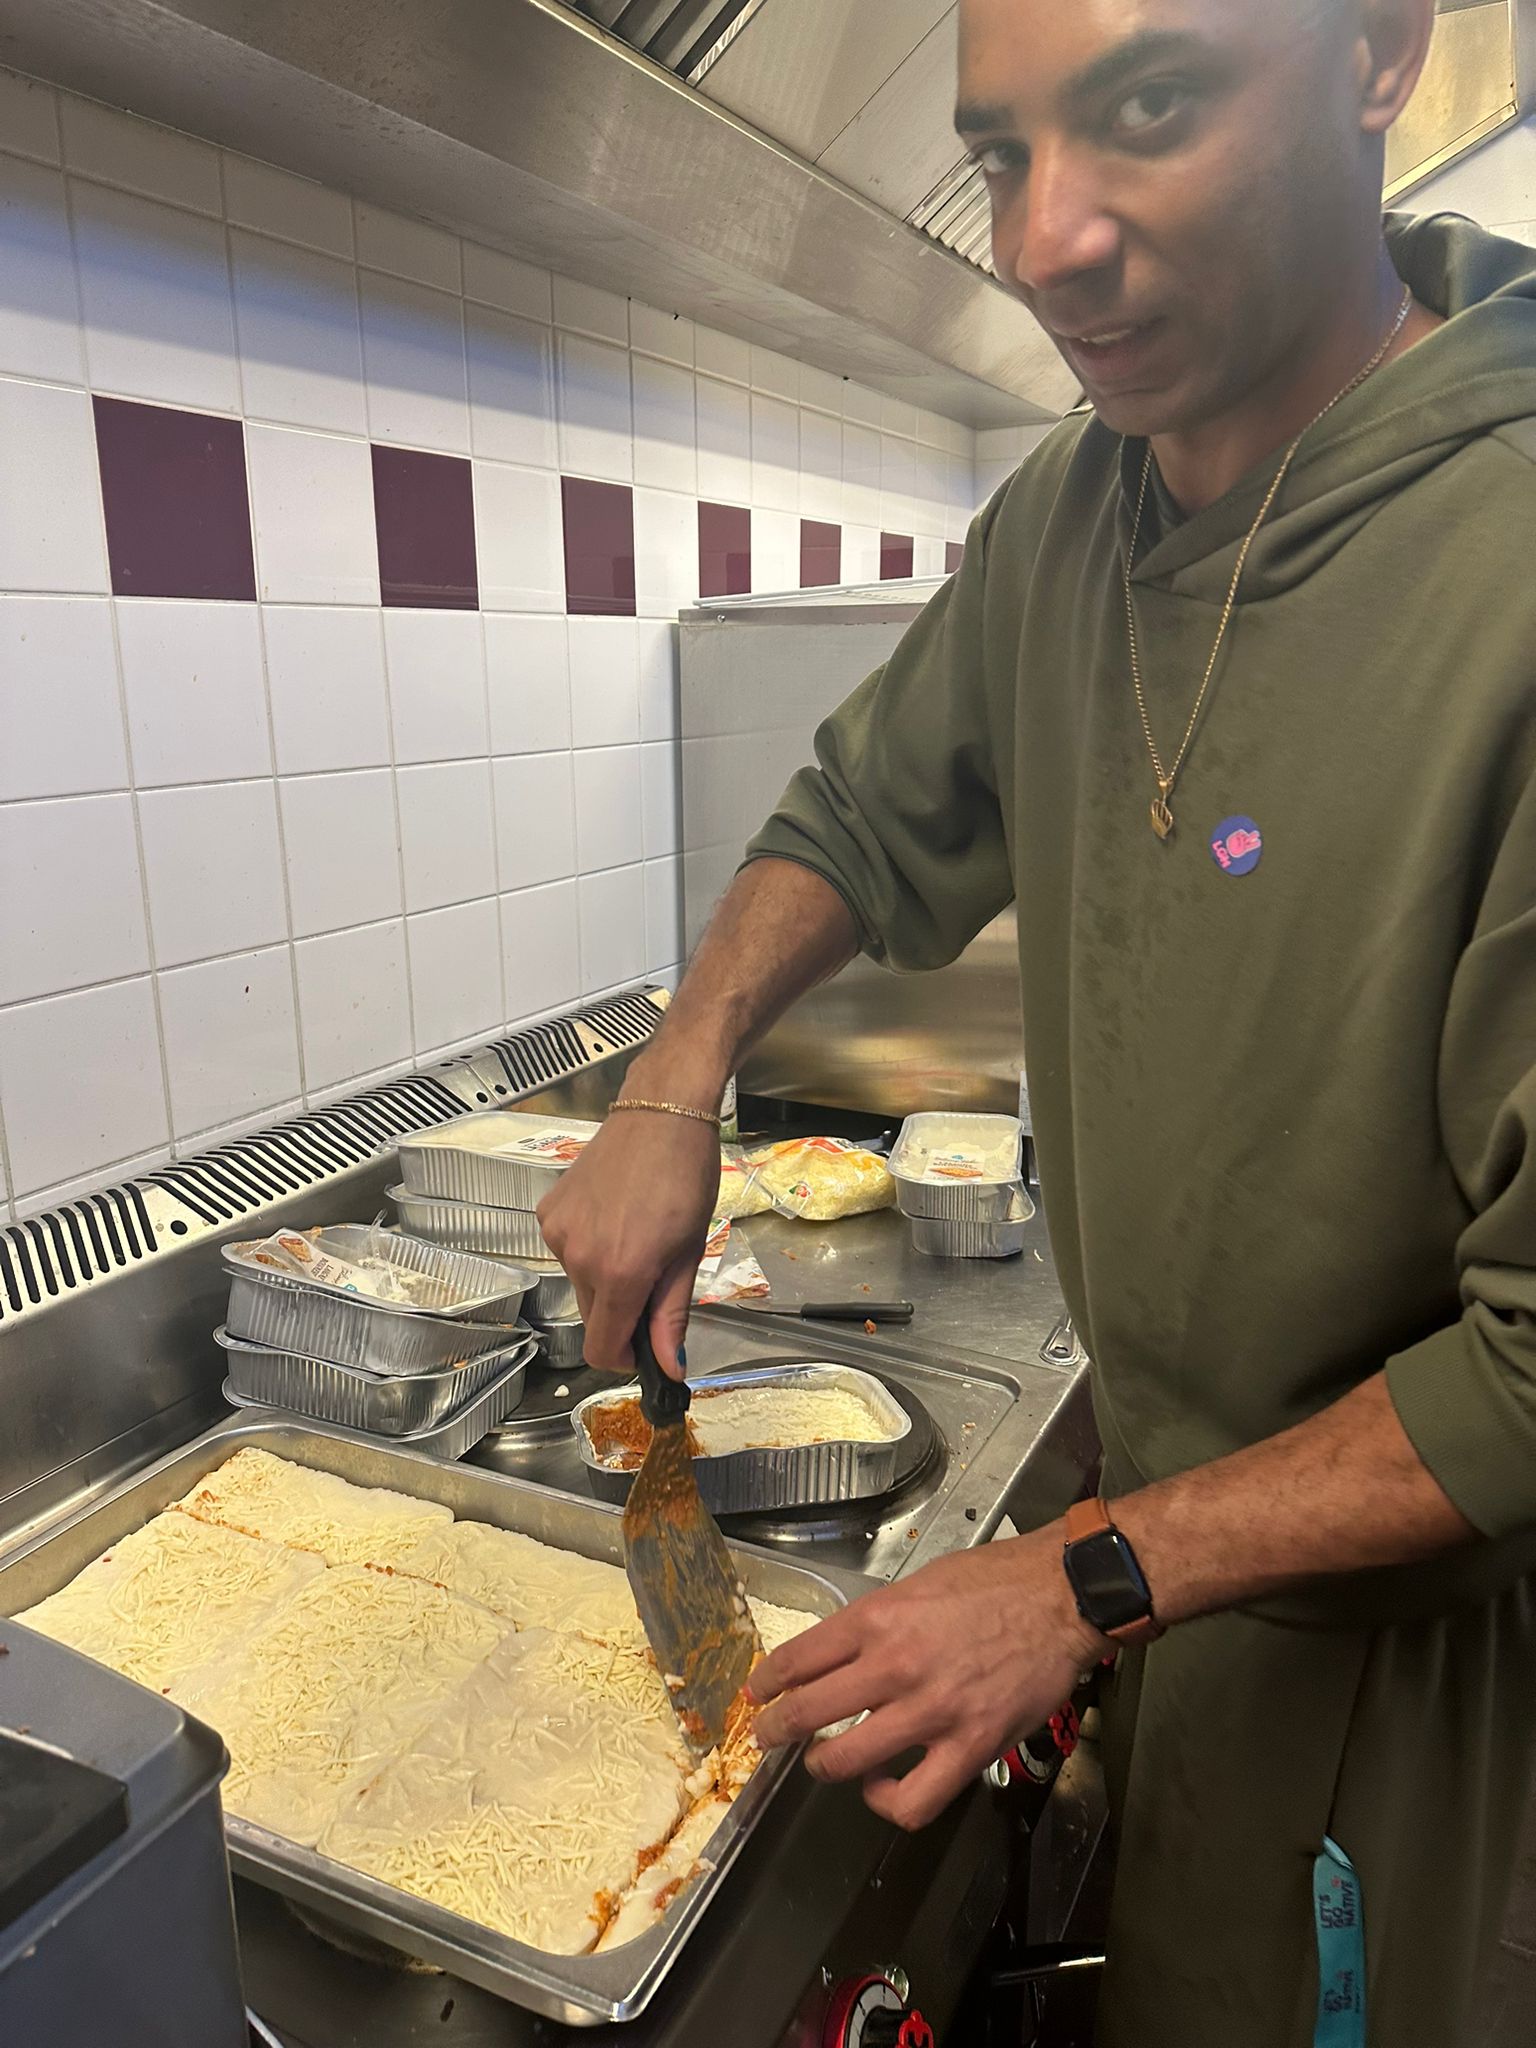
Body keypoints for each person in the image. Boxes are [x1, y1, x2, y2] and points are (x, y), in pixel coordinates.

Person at [539, 0, 1536, 2038]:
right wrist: (676, 1072)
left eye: (1150, 107)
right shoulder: (1081, 509)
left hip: (1438, 1700)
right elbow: (857, 808)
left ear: (1378, 58)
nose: (1050, 239)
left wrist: (1075, 1575)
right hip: (1187, 1619)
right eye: (997, 154)